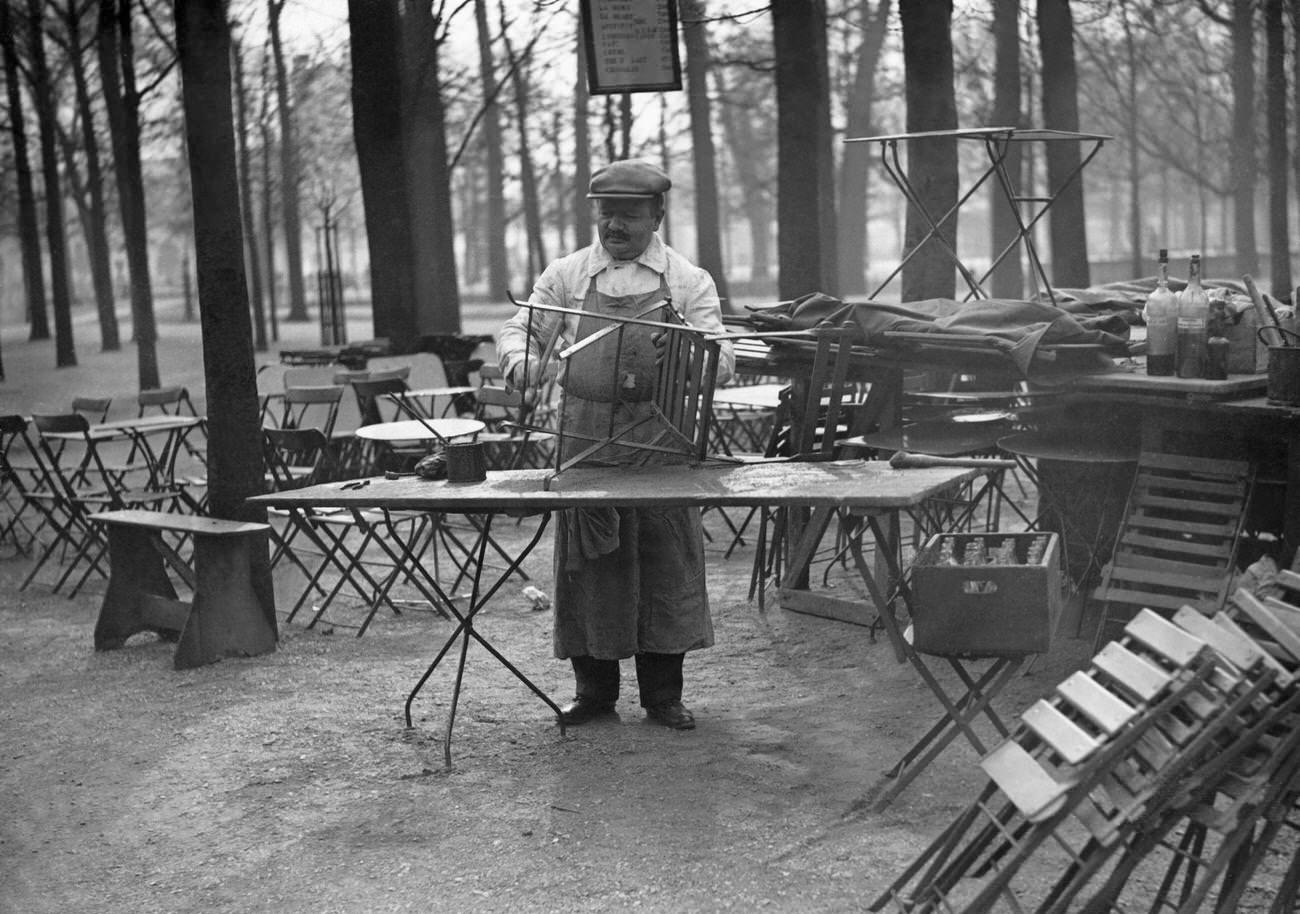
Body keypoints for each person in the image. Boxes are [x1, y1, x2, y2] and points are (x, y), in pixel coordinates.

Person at [496, 159, 735, 731]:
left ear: (656, 215)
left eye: (629, 216)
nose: (616, 228)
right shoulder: (568, 275)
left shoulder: (687, 279)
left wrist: (684, 350)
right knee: (591, 567)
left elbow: (723, 360)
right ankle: (594, 694)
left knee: (664, 567)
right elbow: (522, 328)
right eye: (607, 216)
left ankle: (662, 696)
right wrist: (522, 360)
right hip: (586, 445)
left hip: (663, 444)